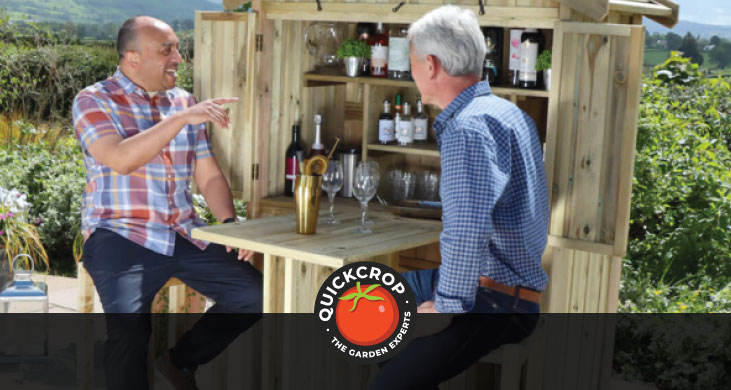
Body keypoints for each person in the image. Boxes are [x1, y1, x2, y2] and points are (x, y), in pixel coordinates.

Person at [72, 16, 261, 390]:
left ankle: (178, 363)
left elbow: (207, 175)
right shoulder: (94, 100)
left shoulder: (183, 102)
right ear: (132, 58)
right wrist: (179, 119)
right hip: (118, 234)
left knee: (254, 296)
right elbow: (121, 158)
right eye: (167, 50)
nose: (178, 57)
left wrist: (229, 226)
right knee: (128, 333)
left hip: (181, 232)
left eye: (177, 48)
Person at [370, 6, 549, 389]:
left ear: (431, 65)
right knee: (366, 302)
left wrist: (444, 308)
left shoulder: (467, 128)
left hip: (494, 301)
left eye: (413, 61)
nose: (413, 70)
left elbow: (467, 230)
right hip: (504, 289)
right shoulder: (507, 113)